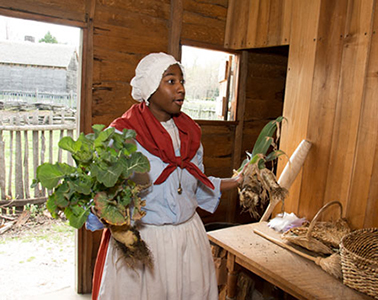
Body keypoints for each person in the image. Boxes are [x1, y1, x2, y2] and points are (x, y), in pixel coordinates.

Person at [90, 52, 244, 300]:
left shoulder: (190, 133)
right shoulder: (121, 135)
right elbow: (103, 193)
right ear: (150, 86)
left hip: (188, 239)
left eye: (181, 81)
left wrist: (236, 181)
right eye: (171, 81)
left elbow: (195, 184)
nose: (181, 89)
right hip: (145, 242)